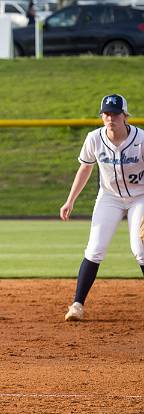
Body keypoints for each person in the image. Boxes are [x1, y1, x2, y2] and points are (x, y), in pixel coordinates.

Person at [60, 94, 144, 321]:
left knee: (140, 250)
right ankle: (77, 305)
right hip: (109, 198)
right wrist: (70, 200)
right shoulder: (94, 138)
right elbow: (85, 169)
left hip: (140, 197)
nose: (110, 117)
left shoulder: (141, 139)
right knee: (95, 249)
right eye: (106, 113)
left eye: (115, 113)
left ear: (125, 115)